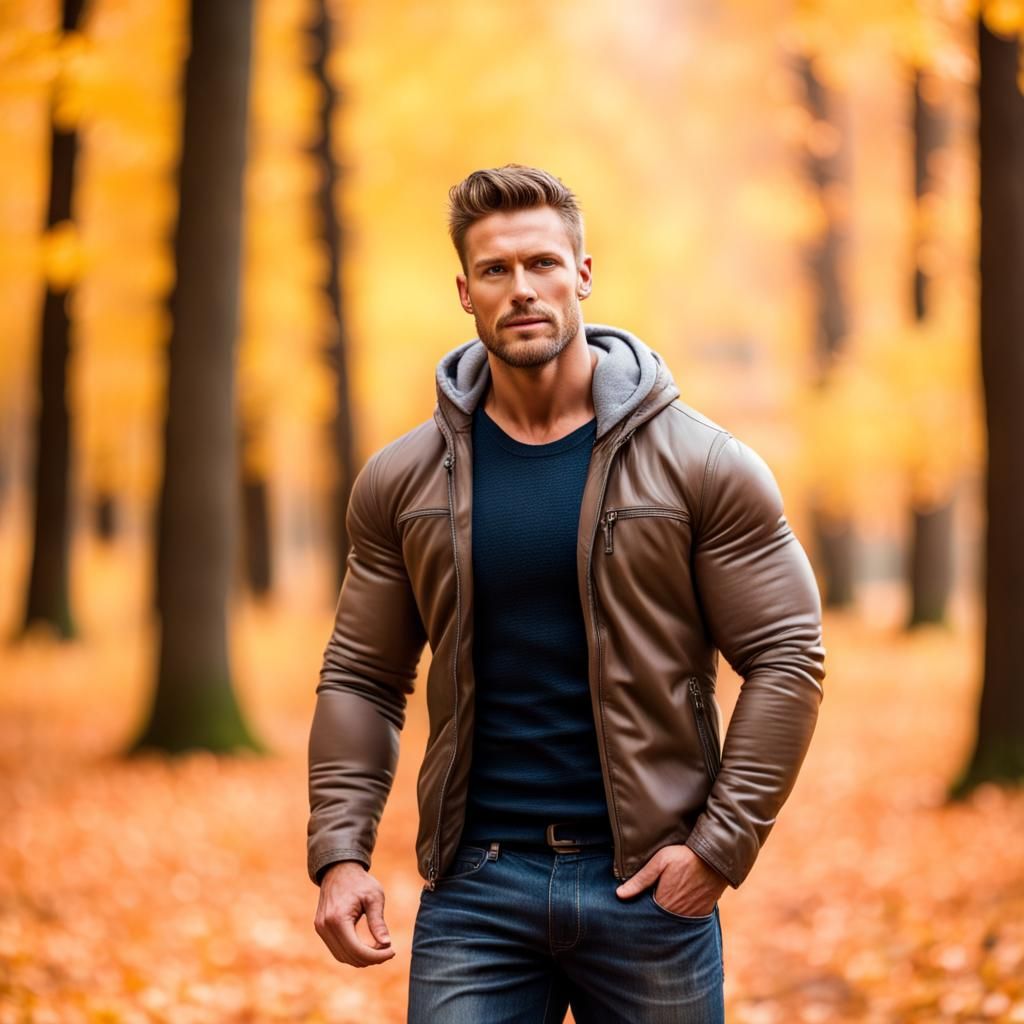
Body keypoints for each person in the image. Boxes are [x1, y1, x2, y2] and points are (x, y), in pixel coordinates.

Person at [306, 164, 826, 1023]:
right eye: (497, 270)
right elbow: (362, 674)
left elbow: (788, 656)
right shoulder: (402, 481)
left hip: (651, 891)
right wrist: (340, 854)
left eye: (544, 263)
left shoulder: (703, 465)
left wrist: (718, 851)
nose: (523, 288)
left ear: (583, 273)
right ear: (464, 291)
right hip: (476, 891)